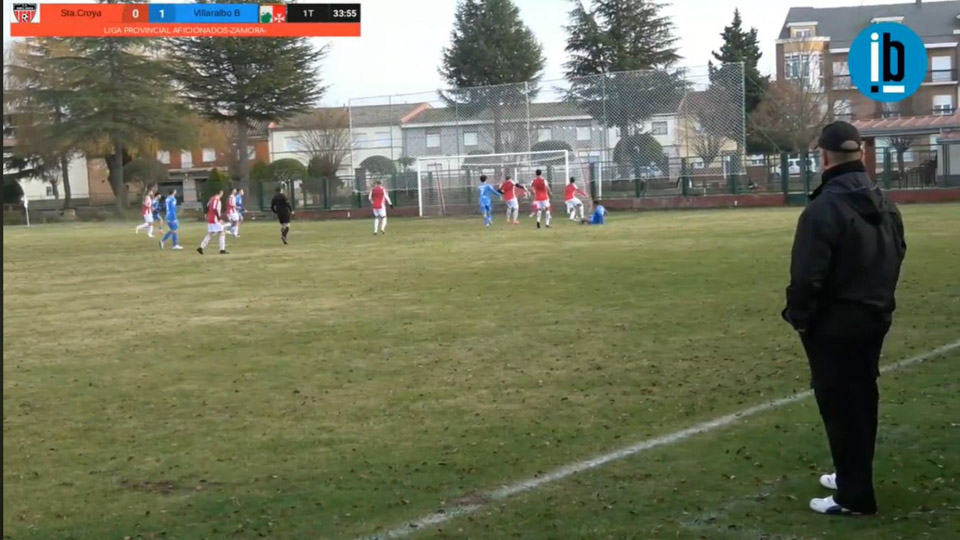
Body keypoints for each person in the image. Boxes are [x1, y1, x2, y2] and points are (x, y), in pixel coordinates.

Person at [782, 121, 906, 516]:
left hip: (836, 323)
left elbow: (807, 276)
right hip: (874, 315)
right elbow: (897, 254)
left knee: (841, 406)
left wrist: (801, 317)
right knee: (861, 399)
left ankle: (854, 496)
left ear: (823, 157)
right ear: (862, 154)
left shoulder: (823, 209)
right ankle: (851, 475)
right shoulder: (884, 203)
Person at [197, 189, 228, 255]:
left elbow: (207, 207)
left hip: (210, 218)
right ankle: (222, 249)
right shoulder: (217, 200)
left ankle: (201, 247)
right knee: (222, 232)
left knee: (210, 233)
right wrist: (219, 218)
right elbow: (215, 209)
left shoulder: (211, 199)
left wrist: (206, 214)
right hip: (215, 219)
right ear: (220, 193)